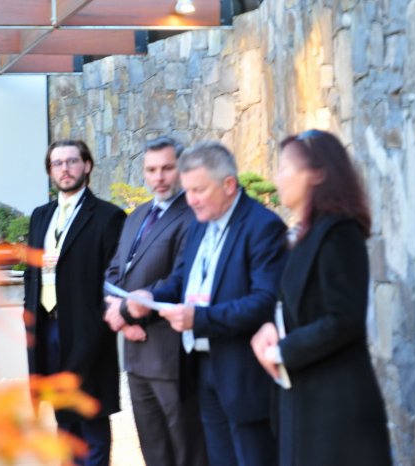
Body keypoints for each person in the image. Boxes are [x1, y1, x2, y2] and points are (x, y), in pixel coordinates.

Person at [126, 141, 286, 466]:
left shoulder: (263, 226)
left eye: (198, 190)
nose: (191, 200)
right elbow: (181, 281)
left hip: (243, 373)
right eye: (187, 191)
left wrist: (199, 319)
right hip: (201, 367)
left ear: (229, 185)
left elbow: (264, 301)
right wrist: (152, 297)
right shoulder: (200, 223)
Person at [250, 129, 392, 466]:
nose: (277, 178)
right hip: (307, 400)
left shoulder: (339, 234)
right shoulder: (306, 235)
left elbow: (343, 319)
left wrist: (282, 350)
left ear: (316, 174)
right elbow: (297, 308)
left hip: (335, 411)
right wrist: (272, 328)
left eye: (285, 168)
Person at [103, 136, 207, 466]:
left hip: (171, 356)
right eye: (151, 170)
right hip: (135, 357)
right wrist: (121, 318)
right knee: (153, 451)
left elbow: (179, 281)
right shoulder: (136, 216)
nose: (158, 177)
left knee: (186, 451)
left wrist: (127, 315)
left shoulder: (194, 216)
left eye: (166, 168)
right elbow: (115, 271)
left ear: (182, 169)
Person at [23, 139, 126, 466]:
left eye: (71, 161)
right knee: (64, 416)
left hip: (87, 331)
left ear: (87, 166)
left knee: (91, 415)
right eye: (57, 163)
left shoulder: (108, 217)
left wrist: (99, 327)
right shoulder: (40, 217)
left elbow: (115, 281)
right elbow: (31, 273)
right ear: (50, 171)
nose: (64, 169)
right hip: (47, 329)